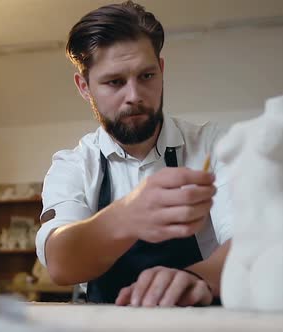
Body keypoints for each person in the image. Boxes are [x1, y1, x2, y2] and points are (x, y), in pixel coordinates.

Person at [36, 0, 232, 307]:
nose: (135, 96)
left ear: (162, 70)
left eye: (147, 76)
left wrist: (197, 279)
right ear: (84, 87)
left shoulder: (214, 145)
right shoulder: (72, 166)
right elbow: (60, 261)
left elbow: (249, 241)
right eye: (115, 82)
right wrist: (127, 217)